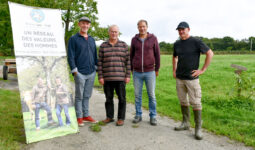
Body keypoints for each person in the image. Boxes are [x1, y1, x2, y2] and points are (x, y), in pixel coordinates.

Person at [172, 21, 214, 140]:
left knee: (195, 102)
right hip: (180, 78)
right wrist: (174, 70)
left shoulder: (196, 41)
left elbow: (210, 53)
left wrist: (202, 70)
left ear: (188, 29)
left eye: (183, 29)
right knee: (183, 101)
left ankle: (198, 129)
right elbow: (174, 57)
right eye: (179, 30)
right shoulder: (177, 43)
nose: (181, 31)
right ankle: (185, 123)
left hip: (192, 79)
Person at [67, 16, 98, 127]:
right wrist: (74, 71)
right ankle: (79, 117)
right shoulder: (74, 39)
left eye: (87, 24)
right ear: (79, 24)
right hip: (79, 72)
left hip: (91, 72)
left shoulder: (91, 39)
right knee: (79, 96)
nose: (85, 25)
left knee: (87, 95)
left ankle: (86, 115)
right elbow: (70, 56)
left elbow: (95, 54)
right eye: (83, 23)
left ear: (89, 25)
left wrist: (96, 66)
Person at [98, 25, 131, 126]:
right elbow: (99, 63)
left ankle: (121, 118)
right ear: (109, 32)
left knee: (122, 98)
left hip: (120, 78)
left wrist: (128, 75)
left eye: (116, 32)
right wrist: (100, 76)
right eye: (112, 31)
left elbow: (128, 62)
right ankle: (109, 117)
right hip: (107, 78)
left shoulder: (124, 45)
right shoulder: (103, 46)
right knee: (108, 98)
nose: (114, 33)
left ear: (118, 33)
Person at [130, 19, 160, 126]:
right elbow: (131, 55)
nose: (142, 28)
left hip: (150, 72)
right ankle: (138, 114)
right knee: (137, 95)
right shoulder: (134, 40)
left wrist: (157, 69)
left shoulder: (153, 38)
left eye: (144, 26)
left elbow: (157, 55)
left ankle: (153, 116)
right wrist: (131, 69)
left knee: (151, 95)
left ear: (147, 27)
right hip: (137, 72)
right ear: (138, 28)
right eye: (140, 26)